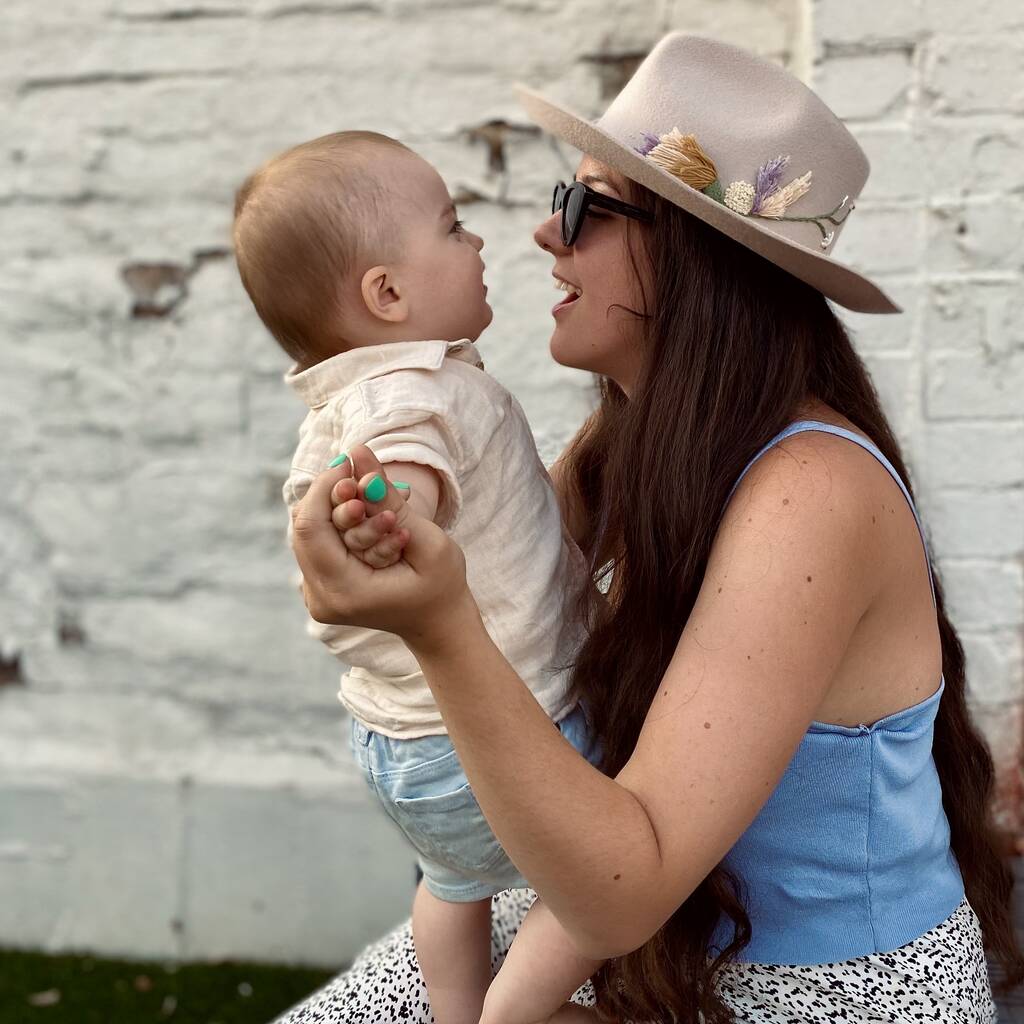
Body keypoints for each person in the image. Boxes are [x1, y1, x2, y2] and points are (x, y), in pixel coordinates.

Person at [277, 34, 1023, 1024]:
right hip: (665, 946)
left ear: (691, 257)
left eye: (584, 207)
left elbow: (621, 889)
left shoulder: (810, 493)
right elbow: (503, 583)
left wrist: (438, 624)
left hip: (821, 993)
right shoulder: (641, 442)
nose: (547, 237)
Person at [232, 131, 606, 1024]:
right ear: (388, 293)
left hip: (397, 745)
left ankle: (454, 1008)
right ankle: (512, 1013)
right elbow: (404, 481)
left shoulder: (340, 402)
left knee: (452, 889)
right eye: (455, 226)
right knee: (599, 877)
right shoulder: (413, 390)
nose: (479, 245)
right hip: (507, 730)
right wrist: (391, 517)